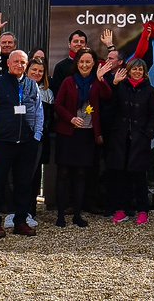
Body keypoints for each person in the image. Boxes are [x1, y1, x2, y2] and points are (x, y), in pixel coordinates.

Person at [0, 50, 43, 238]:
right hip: (1, 143)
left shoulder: (32, 85)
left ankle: (20, 221)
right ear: (8, 63)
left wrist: (37, 136)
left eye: (23, 62)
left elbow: (39, 112)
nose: (19, 65)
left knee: (24, 184)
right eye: (16, 61)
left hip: (26, 143)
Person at [53, 48, 112, 228]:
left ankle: (78, 214)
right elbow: (58, 104)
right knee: (63, 174)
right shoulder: (68, 82)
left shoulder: (97, 81)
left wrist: (101, 79)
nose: (85, 65)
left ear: (93, 64)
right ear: (76, 64)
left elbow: (108, 96)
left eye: (88, 62)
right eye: (81, 62)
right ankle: (61, 214)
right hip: (68, 134)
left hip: (87, 135)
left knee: (81, 174)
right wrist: (70, 118)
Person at [104, 58, 154, 226]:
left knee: (139, 177)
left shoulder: (150, 91)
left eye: (140, 70)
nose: (137, 72)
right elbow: (110, 108)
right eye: (134, 69)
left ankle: (143, 211)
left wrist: (147, 135)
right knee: (120, 177)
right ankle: (121, 210)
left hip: (139, 140)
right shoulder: (120, 87)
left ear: (144, 72)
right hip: (120, 139)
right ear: (128, 70)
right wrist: (114, 85)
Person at [27, 57, 55, 223]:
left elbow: (50, 118)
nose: (37, 73)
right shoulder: (20, 87)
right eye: (34, 70)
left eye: (40, 71)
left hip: (39, 139)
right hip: (21, 138)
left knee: (35, 174)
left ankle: (31, 209)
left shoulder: (48, 93)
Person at [51, 30, 88, 94]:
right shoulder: (60, 67)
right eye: (75, 41)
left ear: (86, 45)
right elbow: (57, 93)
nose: (79, 44)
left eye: (82, 42)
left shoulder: (92, 65)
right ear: (69, 44)